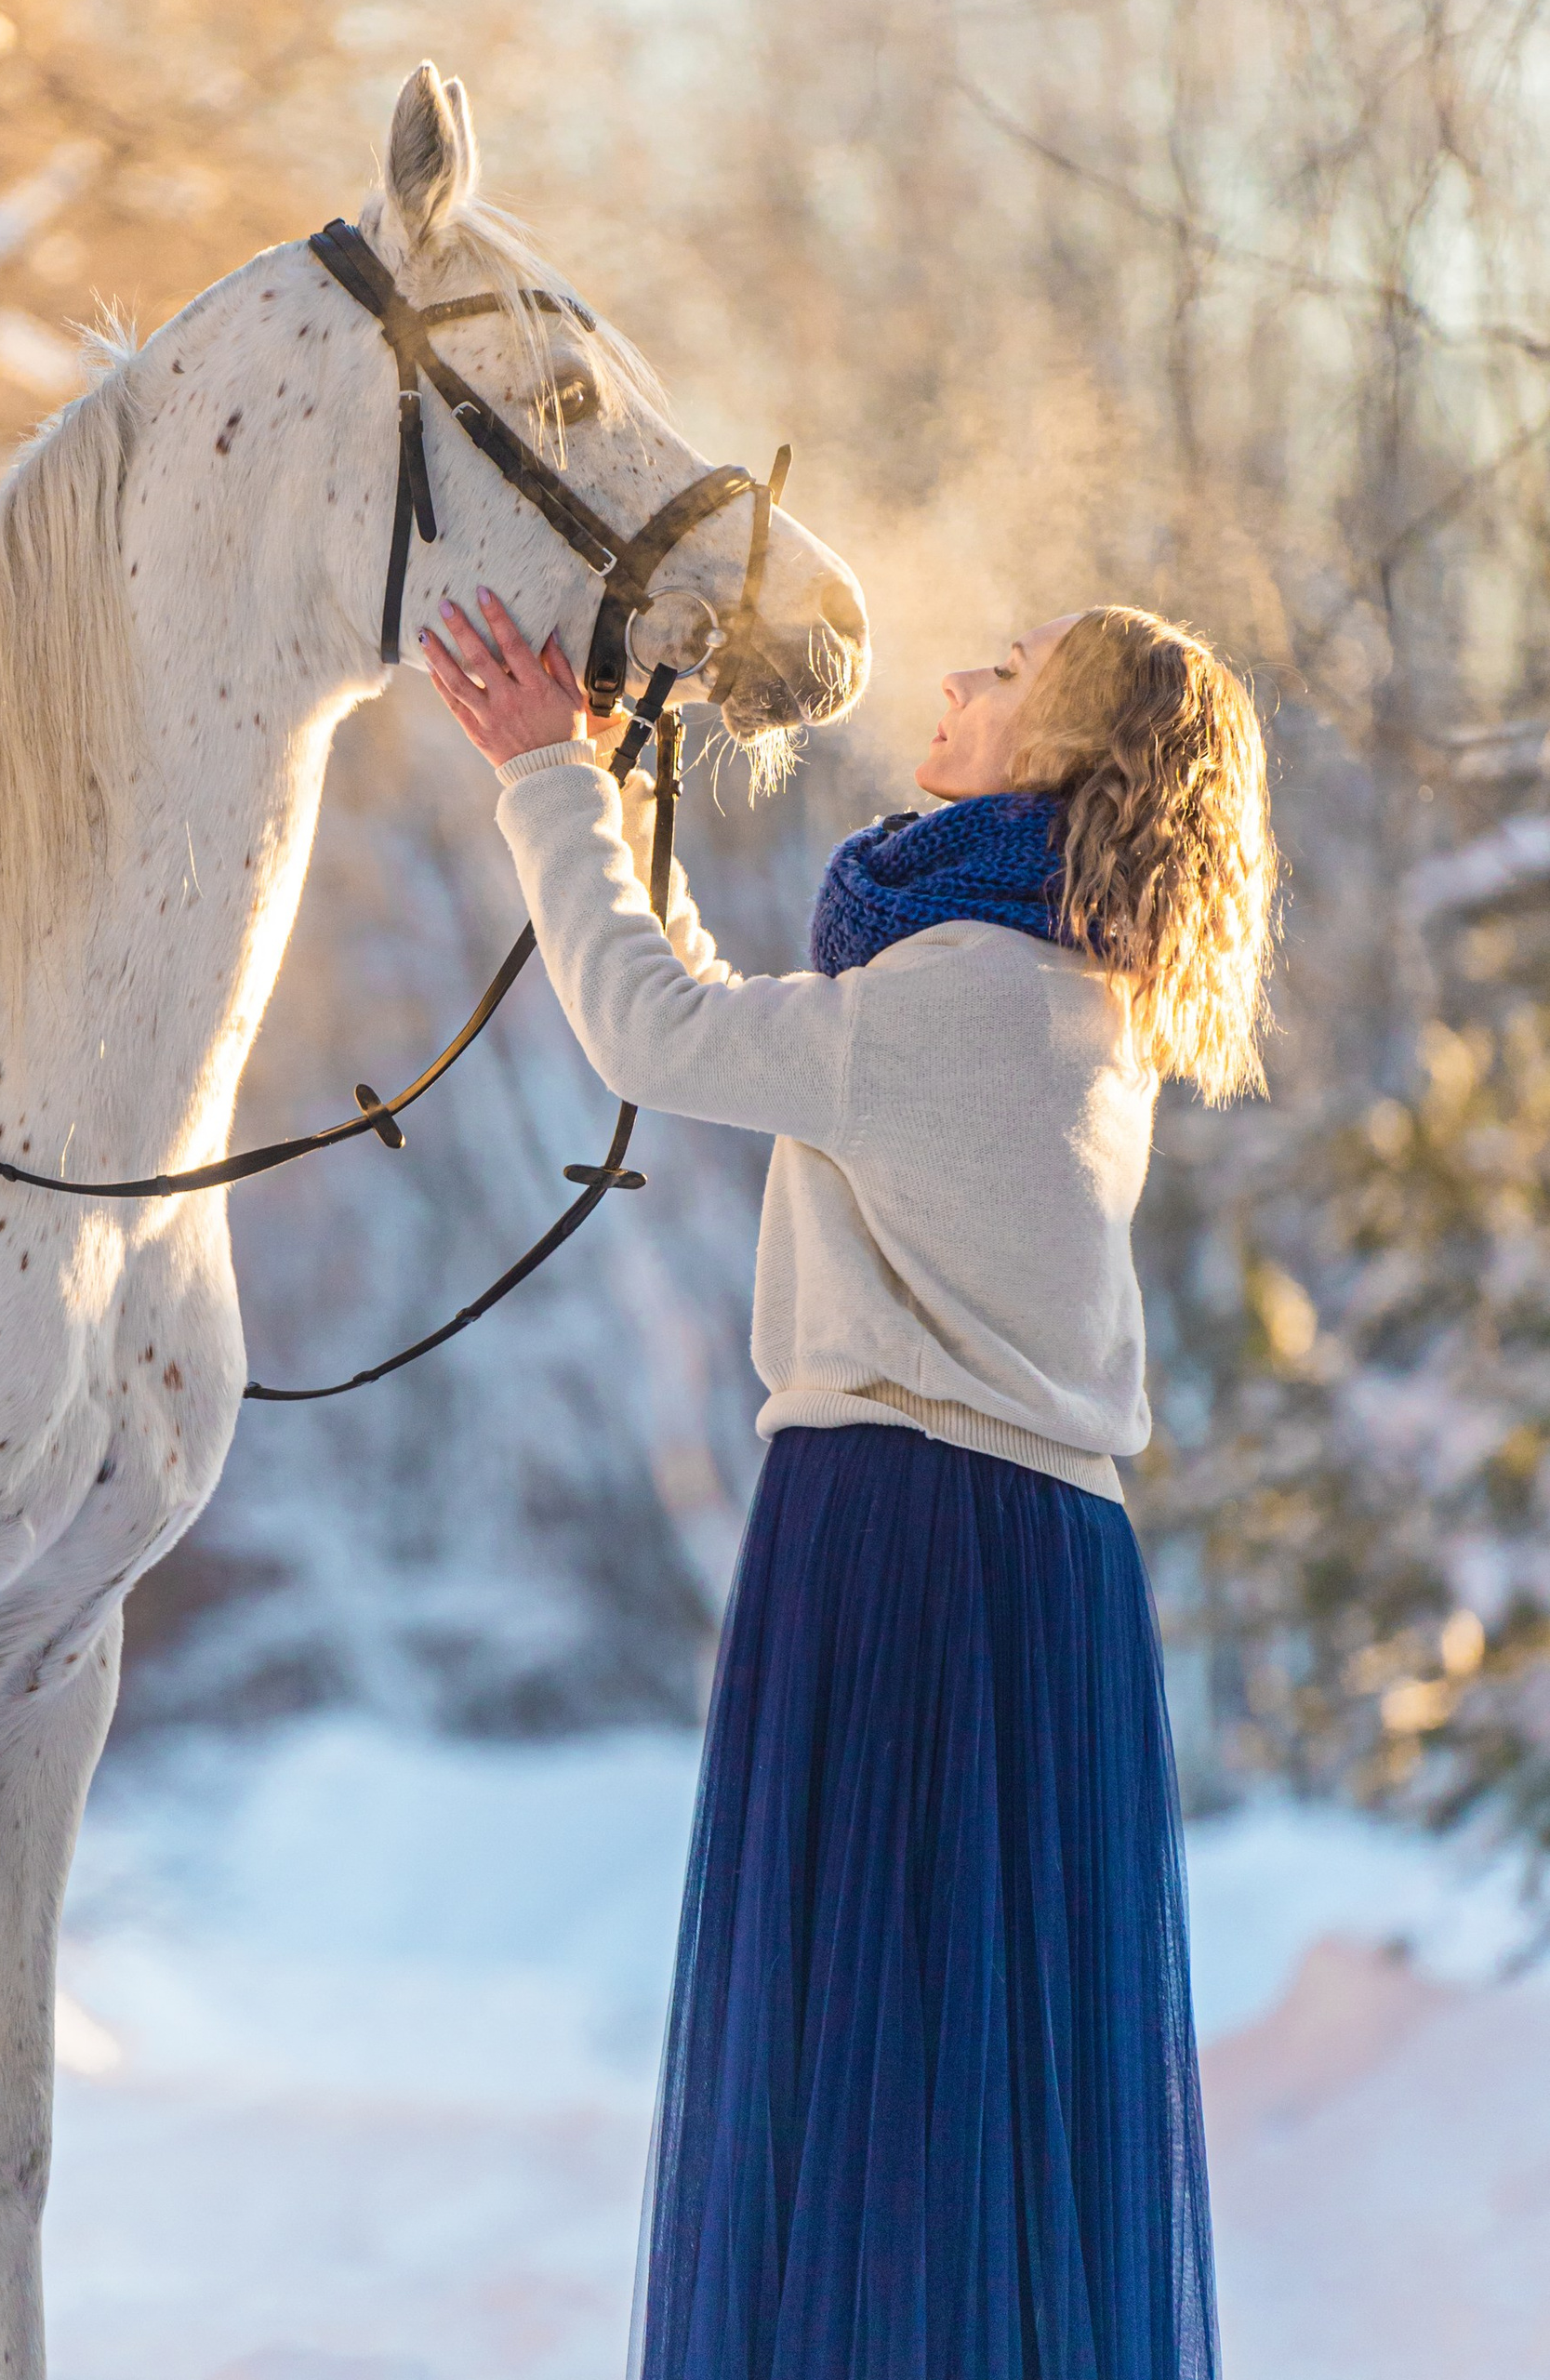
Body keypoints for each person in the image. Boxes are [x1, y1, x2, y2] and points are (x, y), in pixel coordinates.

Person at [423, 592, 1275, 2380]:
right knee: (971, 2084)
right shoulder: (1038, 979)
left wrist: (539, 782)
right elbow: (732, 1021)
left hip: (912, 1542)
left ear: (1065, 750)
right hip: (1008, 1553)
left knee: (870, 2074)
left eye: (1013, 672)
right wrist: (597, 792)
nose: (960, 679)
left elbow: (663, 1042)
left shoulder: (965, 989)